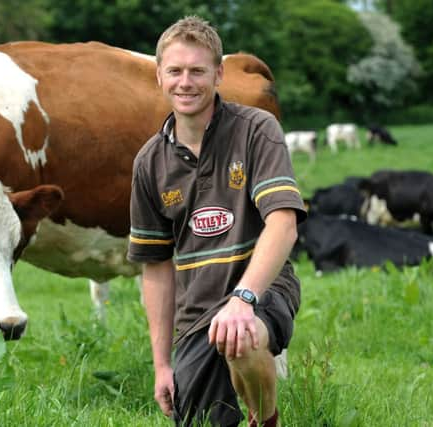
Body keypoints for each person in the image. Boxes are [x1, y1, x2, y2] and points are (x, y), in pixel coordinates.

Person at [127, 15, 306, 427]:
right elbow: (155, 267)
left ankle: (265, 420)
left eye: (197, 71)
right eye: (174, 71)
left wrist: (243, 300)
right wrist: (161, 364)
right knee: (198, 421)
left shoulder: (257, 130)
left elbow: (283, 223)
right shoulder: (149, 162)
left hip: (262, 289)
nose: (185, 82)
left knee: (241, 339)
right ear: (159, 76)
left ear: (219, 74)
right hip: (197, 314)